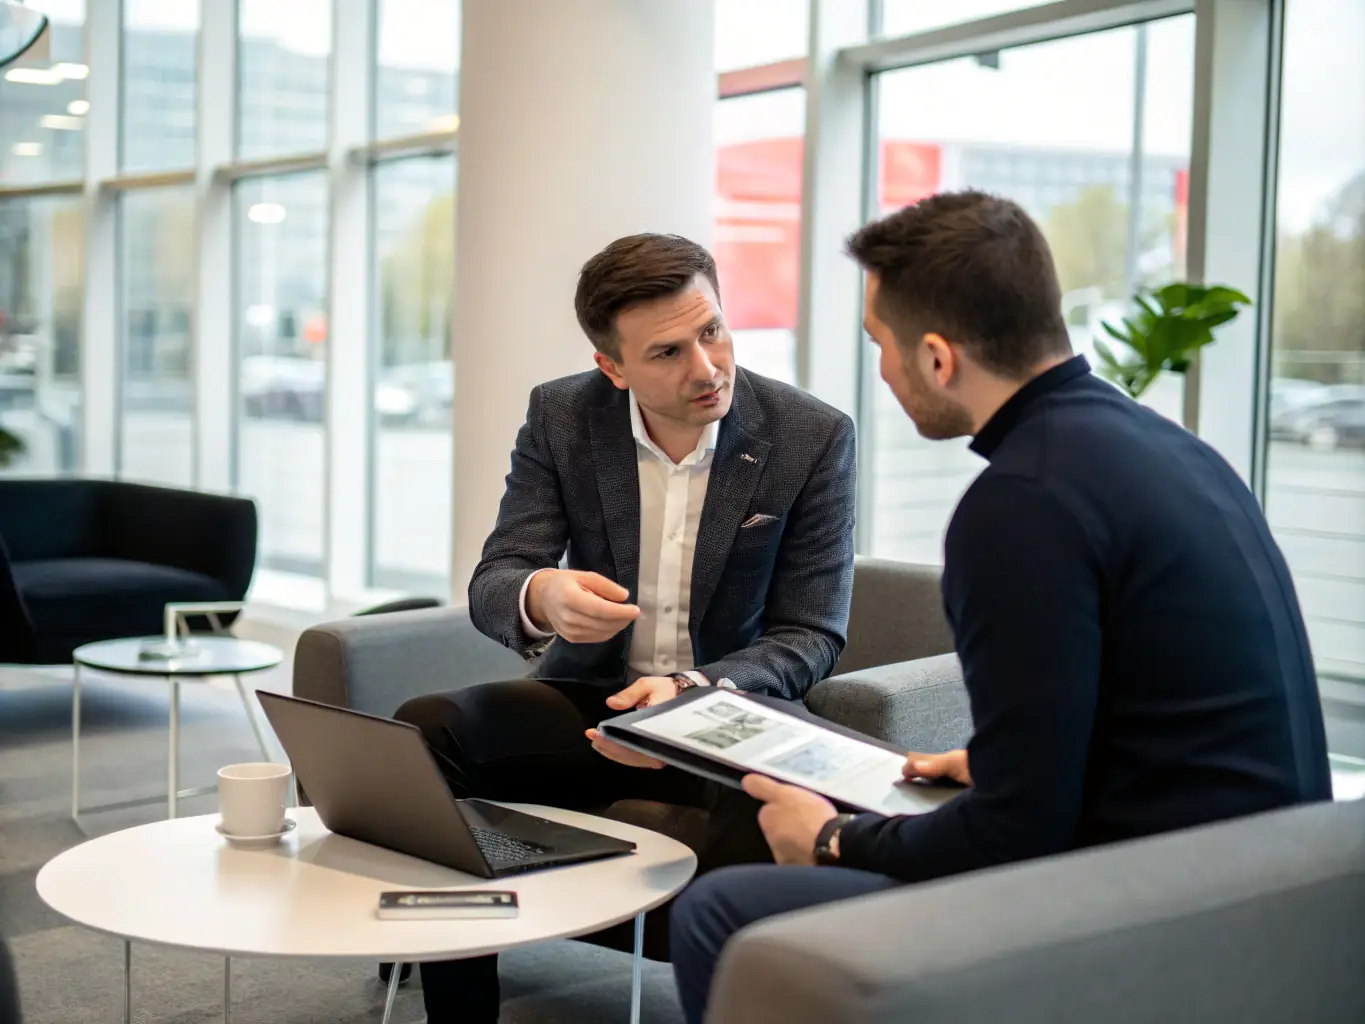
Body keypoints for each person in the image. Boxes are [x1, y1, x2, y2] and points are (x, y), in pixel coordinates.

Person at [667, 190, 1333, 1024]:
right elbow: (1161, 724)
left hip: (1152, 912)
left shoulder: (1020, 505)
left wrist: (829, 838)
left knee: (725, 916)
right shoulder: (1168, 451)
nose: (880, 369)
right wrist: (998, 763)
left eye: (880, 345)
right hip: (1272, 890)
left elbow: (1015, 834)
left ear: (939, 358)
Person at [395, 232, 857, 1023]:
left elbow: (810, 633)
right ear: (613, 369)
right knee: (428, 729)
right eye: (667, 352)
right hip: (593, 702)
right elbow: (499, 574)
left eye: (711, 330)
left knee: (780, 799)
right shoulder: (563, 414)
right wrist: (543, 595)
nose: (706, 369)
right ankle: (461, 1007)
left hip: (726, 714)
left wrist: (690, 689)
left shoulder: (810, 435)